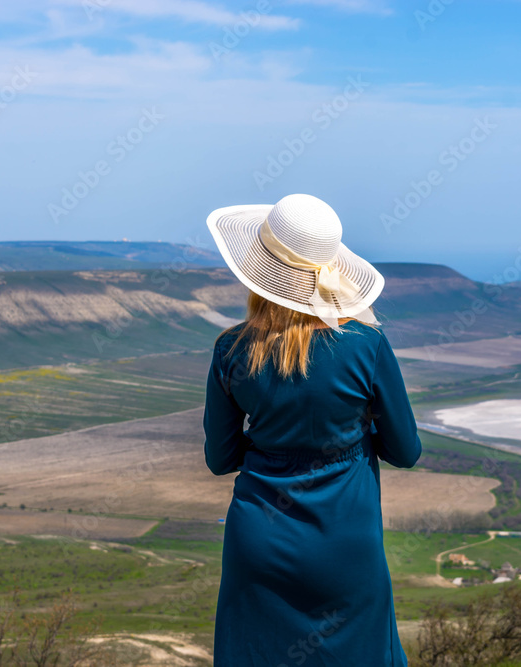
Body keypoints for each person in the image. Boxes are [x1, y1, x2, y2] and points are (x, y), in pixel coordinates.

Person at [203, 193, 422, 666]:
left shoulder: (230, 351)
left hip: (258, 538)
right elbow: (405, 451)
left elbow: (219, 458)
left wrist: (272, 448)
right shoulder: (367, 346)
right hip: (347, 539)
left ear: (260, 272)